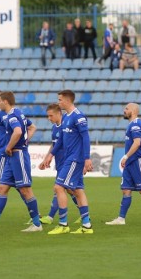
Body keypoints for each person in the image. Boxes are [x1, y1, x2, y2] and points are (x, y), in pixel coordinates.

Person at [0, 91, 43, 233]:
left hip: (18, 155)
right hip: (11, 157)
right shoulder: (17, 113)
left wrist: (10, 146)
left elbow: (18, 132)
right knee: (3, 188)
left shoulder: (12, 116)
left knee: (25, 190)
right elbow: (30, 128)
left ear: (5, 102)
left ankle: (37, 224)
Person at [41, 90, 94, 234]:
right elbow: (61, 141)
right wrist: (51, 154)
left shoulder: (78, 116)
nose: (58, 102)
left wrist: (87, 158)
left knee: (58, 187)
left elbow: (86, 138)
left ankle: (63, 225)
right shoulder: (66, 119)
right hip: (70, 159)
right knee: (77, 190)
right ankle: (86, 226)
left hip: (75, 159)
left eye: (60, 100)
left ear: (67, 100)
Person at [37, 103, 80, 225]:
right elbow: (54, 144)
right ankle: (84, 214)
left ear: (58, 113)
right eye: (48, 116)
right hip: (60, 163)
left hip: (70, 162)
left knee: (60, 188)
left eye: (51, 116)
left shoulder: (67, 126)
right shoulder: (54, 127)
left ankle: (51, 217)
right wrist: (47, 158)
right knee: (71, 190)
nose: (49, 118)